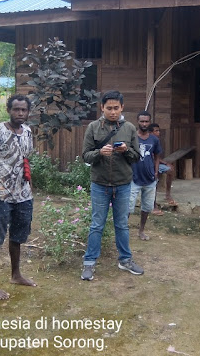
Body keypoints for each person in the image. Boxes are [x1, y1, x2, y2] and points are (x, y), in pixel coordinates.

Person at [81, 90, 143, 281]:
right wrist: (100, 153)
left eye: (116, 108)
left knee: (122, 225)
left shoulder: (130, 128)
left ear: (122, 107)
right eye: (109, 108)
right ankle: (89, 263)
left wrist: (125, 151)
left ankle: (125, 260)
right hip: (100, 184)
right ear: (102, 108)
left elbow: (136, 157)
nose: (113, 112)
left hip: (123, 184)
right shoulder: (93, 127)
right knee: (97, 224)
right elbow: (85, 155)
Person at [0, 94, 36, 300]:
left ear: (28, 112)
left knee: (18, 237)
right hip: (1, 195)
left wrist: (30, 185)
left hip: (23, 195)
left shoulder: (28, 131)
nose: (20, 113)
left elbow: (26, 159)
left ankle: (16, 274)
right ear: (9, 110)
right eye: (16, 109)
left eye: (23, 110)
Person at [129, 111, 162, 241]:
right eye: (142, 121)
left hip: (149, 179)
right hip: (133, 178)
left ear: (149, 122)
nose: (144, 124)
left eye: (146, 121)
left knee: (147, 207)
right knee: (128, 207)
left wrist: (156, 171)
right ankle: (123, 231)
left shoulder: (154, 139)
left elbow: (157, 156)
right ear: (137, 121)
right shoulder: (132, 138)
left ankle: (141, 230)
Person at [149, 123, 178, 213]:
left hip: (156, 163)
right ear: (150, 132)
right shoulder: (148, 140)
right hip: (148, 165)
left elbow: (157, 157)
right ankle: (153, 204)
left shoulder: (156, 140)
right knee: (154, 182)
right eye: (156, 131)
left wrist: (165, 163)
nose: (159, 132)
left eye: (159, 130)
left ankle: (167, 194)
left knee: (170, 169)